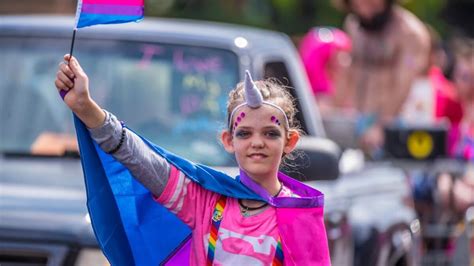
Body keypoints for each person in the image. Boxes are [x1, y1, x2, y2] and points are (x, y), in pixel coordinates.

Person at [54, 55, 330, 265]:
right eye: (244, 133)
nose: (257, 142)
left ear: (290, 141)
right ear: (228, 140)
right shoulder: (206, 201)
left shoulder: (298, 217)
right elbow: (146, 161)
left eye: (270, 133)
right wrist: (87, 108)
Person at [332, 0, 431, 156]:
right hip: (358, 120)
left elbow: (404, 84)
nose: (365, 10)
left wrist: (382, 126)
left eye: (371, 4)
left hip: (394, 126)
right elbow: (350, 71)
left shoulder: (410, 33)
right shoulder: (354, 25)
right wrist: (335, 110)